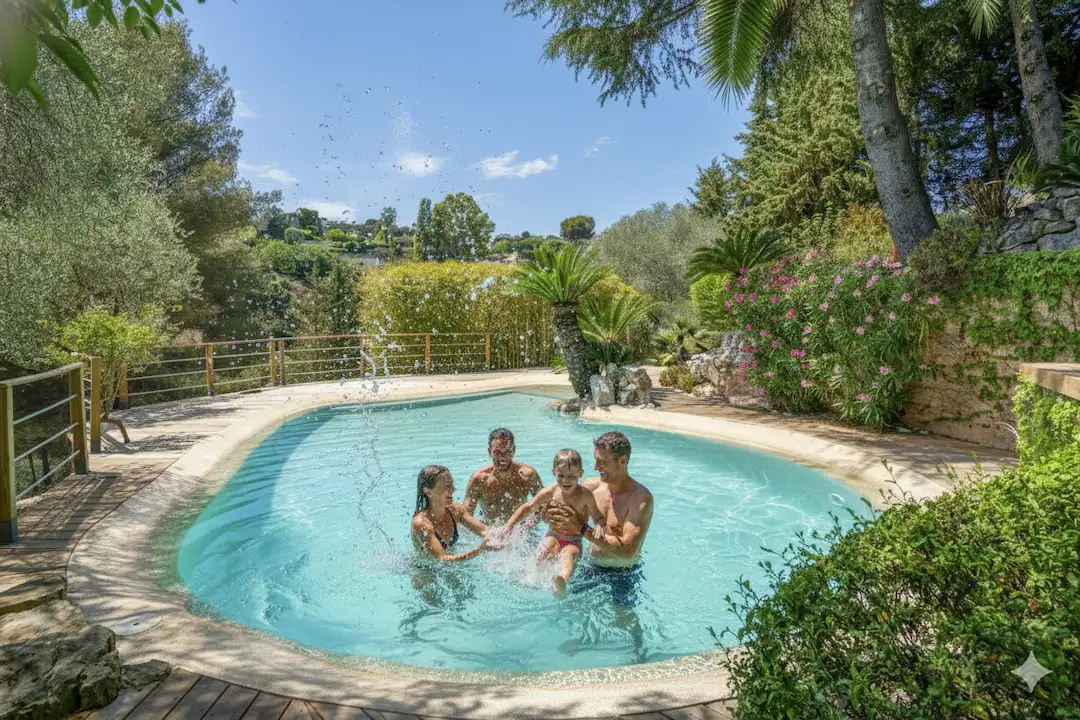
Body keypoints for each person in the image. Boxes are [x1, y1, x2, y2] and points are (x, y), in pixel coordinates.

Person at [543, 431, 653, 607]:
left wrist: (581, 528)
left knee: (624, 624)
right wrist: (547, 516)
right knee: (572, 616)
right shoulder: (591, 487)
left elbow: (628, 552)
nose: (596, 466)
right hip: (590, 567)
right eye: (596, 460)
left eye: (603, 462)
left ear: (623, 460)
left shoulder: (640, 499)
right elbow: (559, 508)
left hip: (622, 574)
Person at [495, 449, 605, 594]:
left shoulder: (585, 495)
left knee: (569, 556)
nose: (566, 480)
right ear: (554, 472)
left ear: (581, 473)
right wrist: (509, 526)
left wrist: (599, 525)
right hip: (553, 535)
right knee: (541, 553)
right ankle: (531, 578)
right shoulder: (551, 491)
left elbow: (598, 517)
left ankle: (562, 583)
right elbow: (528, 507)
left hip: (573, 540)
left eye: (572, 476)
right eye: (561, 475)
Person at [410, 465, 495, 562]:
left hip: (453, 565)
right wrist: (480, 550)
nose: (453, 490)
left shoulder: (455, 511)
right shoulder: (421, 523)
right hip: (426, 572)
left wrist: (508, 535)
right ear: (428, 492)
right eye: (447, 486)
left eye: (452, 485)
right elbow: (442, 559)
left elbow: (485, 530)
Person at [463, 428, 544, 525]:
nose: (503, 457)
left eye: (507, 451)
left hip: (522, 532)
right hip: (490, 533)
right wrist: (485, 531)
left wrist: (527, 526)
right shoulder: (479, 480)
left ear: (514, 450)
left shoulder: (528, 475)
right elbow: (465, 516)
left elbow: (543, 507)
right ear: (490, 452)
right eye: (497, 452)